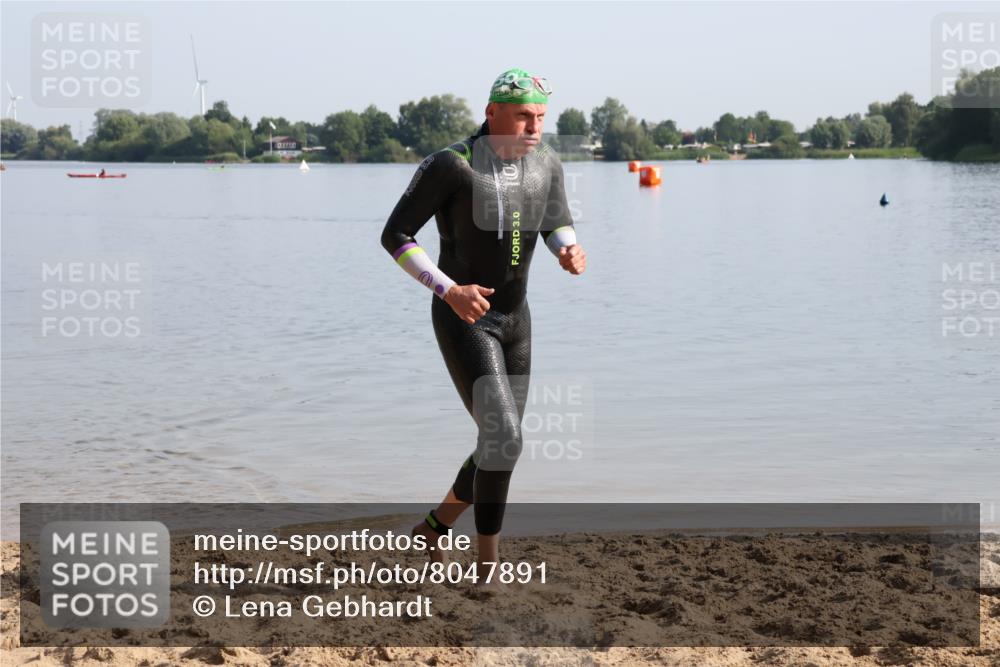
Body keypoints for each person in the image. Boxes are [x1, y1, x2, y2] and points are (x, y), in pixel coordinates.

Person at [380, 68, 586, 580]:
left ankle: (433, 528)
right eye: (522, 117)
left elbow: (554, 218)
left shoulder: (546, 163)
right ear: (491, 112)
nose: (533, 128)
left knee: (500, 444)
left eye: (540, 117)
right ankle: (488, 567)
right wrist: (448, 290)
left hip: (517, 320)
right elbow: (395, 235)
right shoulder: (452, 166)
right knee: (505, 439)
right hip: (465, 318)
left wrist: (568, 248)